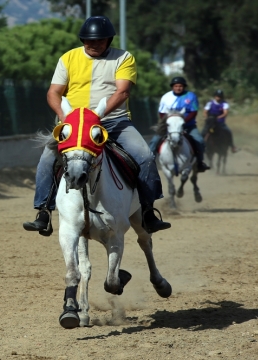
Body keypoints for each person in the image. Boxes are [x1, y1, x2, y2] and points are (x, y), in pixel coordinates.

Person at [22, 15, 170, 236]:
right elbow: (53, 92)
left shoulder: (123, 58)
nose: (93, 45)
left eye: (99, 41)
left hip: (113, 121)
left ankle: (148, 211)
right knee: (47, 159)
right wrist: (65, 117)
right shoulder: (68, 58)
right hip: (74, 123)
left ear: (109, 40)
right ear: (82, 40)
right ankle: (44, 211)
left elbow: (123, 91)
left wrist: (97, 116)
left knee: (145, 156)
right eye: (89, 41)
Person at [148, 77, 210, 172]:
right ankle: (150, 164)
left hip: (188, 125)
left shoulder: (191, 96)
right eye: (176, 86)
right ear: (172, 87)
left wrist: (182, 122)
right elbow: (161, 113)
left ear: (184, 87)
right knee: (154, 141)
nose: (178, 88)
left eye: (180, 86)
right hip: (169, 126)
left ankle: (200, 163)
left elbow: (193, 112)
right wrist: (169, 123)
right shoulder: (166, 97)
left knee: (200, 140)